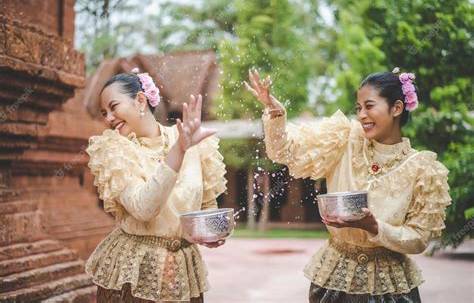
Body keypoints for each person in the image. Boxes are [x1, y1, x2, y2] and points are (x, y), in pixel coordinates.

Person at [245, 68, 451, 302]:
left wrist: (375, 227)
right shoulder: (344, 140)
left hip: (391, 289)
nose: (362, 115)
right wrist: (274, 112)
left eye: (370, 106)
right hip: (334, 279)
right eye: (358, 108)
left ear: (396, 108)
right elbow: (286, 151)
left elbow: (419, 239)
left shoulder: (423, 169)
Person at [85, 68, 227, 302]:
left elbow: (206, 205)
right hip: (134, 272)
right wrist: (179, 151)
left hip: (184, 272)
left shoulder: (192, 140)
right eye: (104, 112)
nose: (109, 118)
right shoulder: (114, 151)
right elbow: (144, 208)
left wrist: (209, 232)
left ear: (140, 100)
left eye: (114, 107)